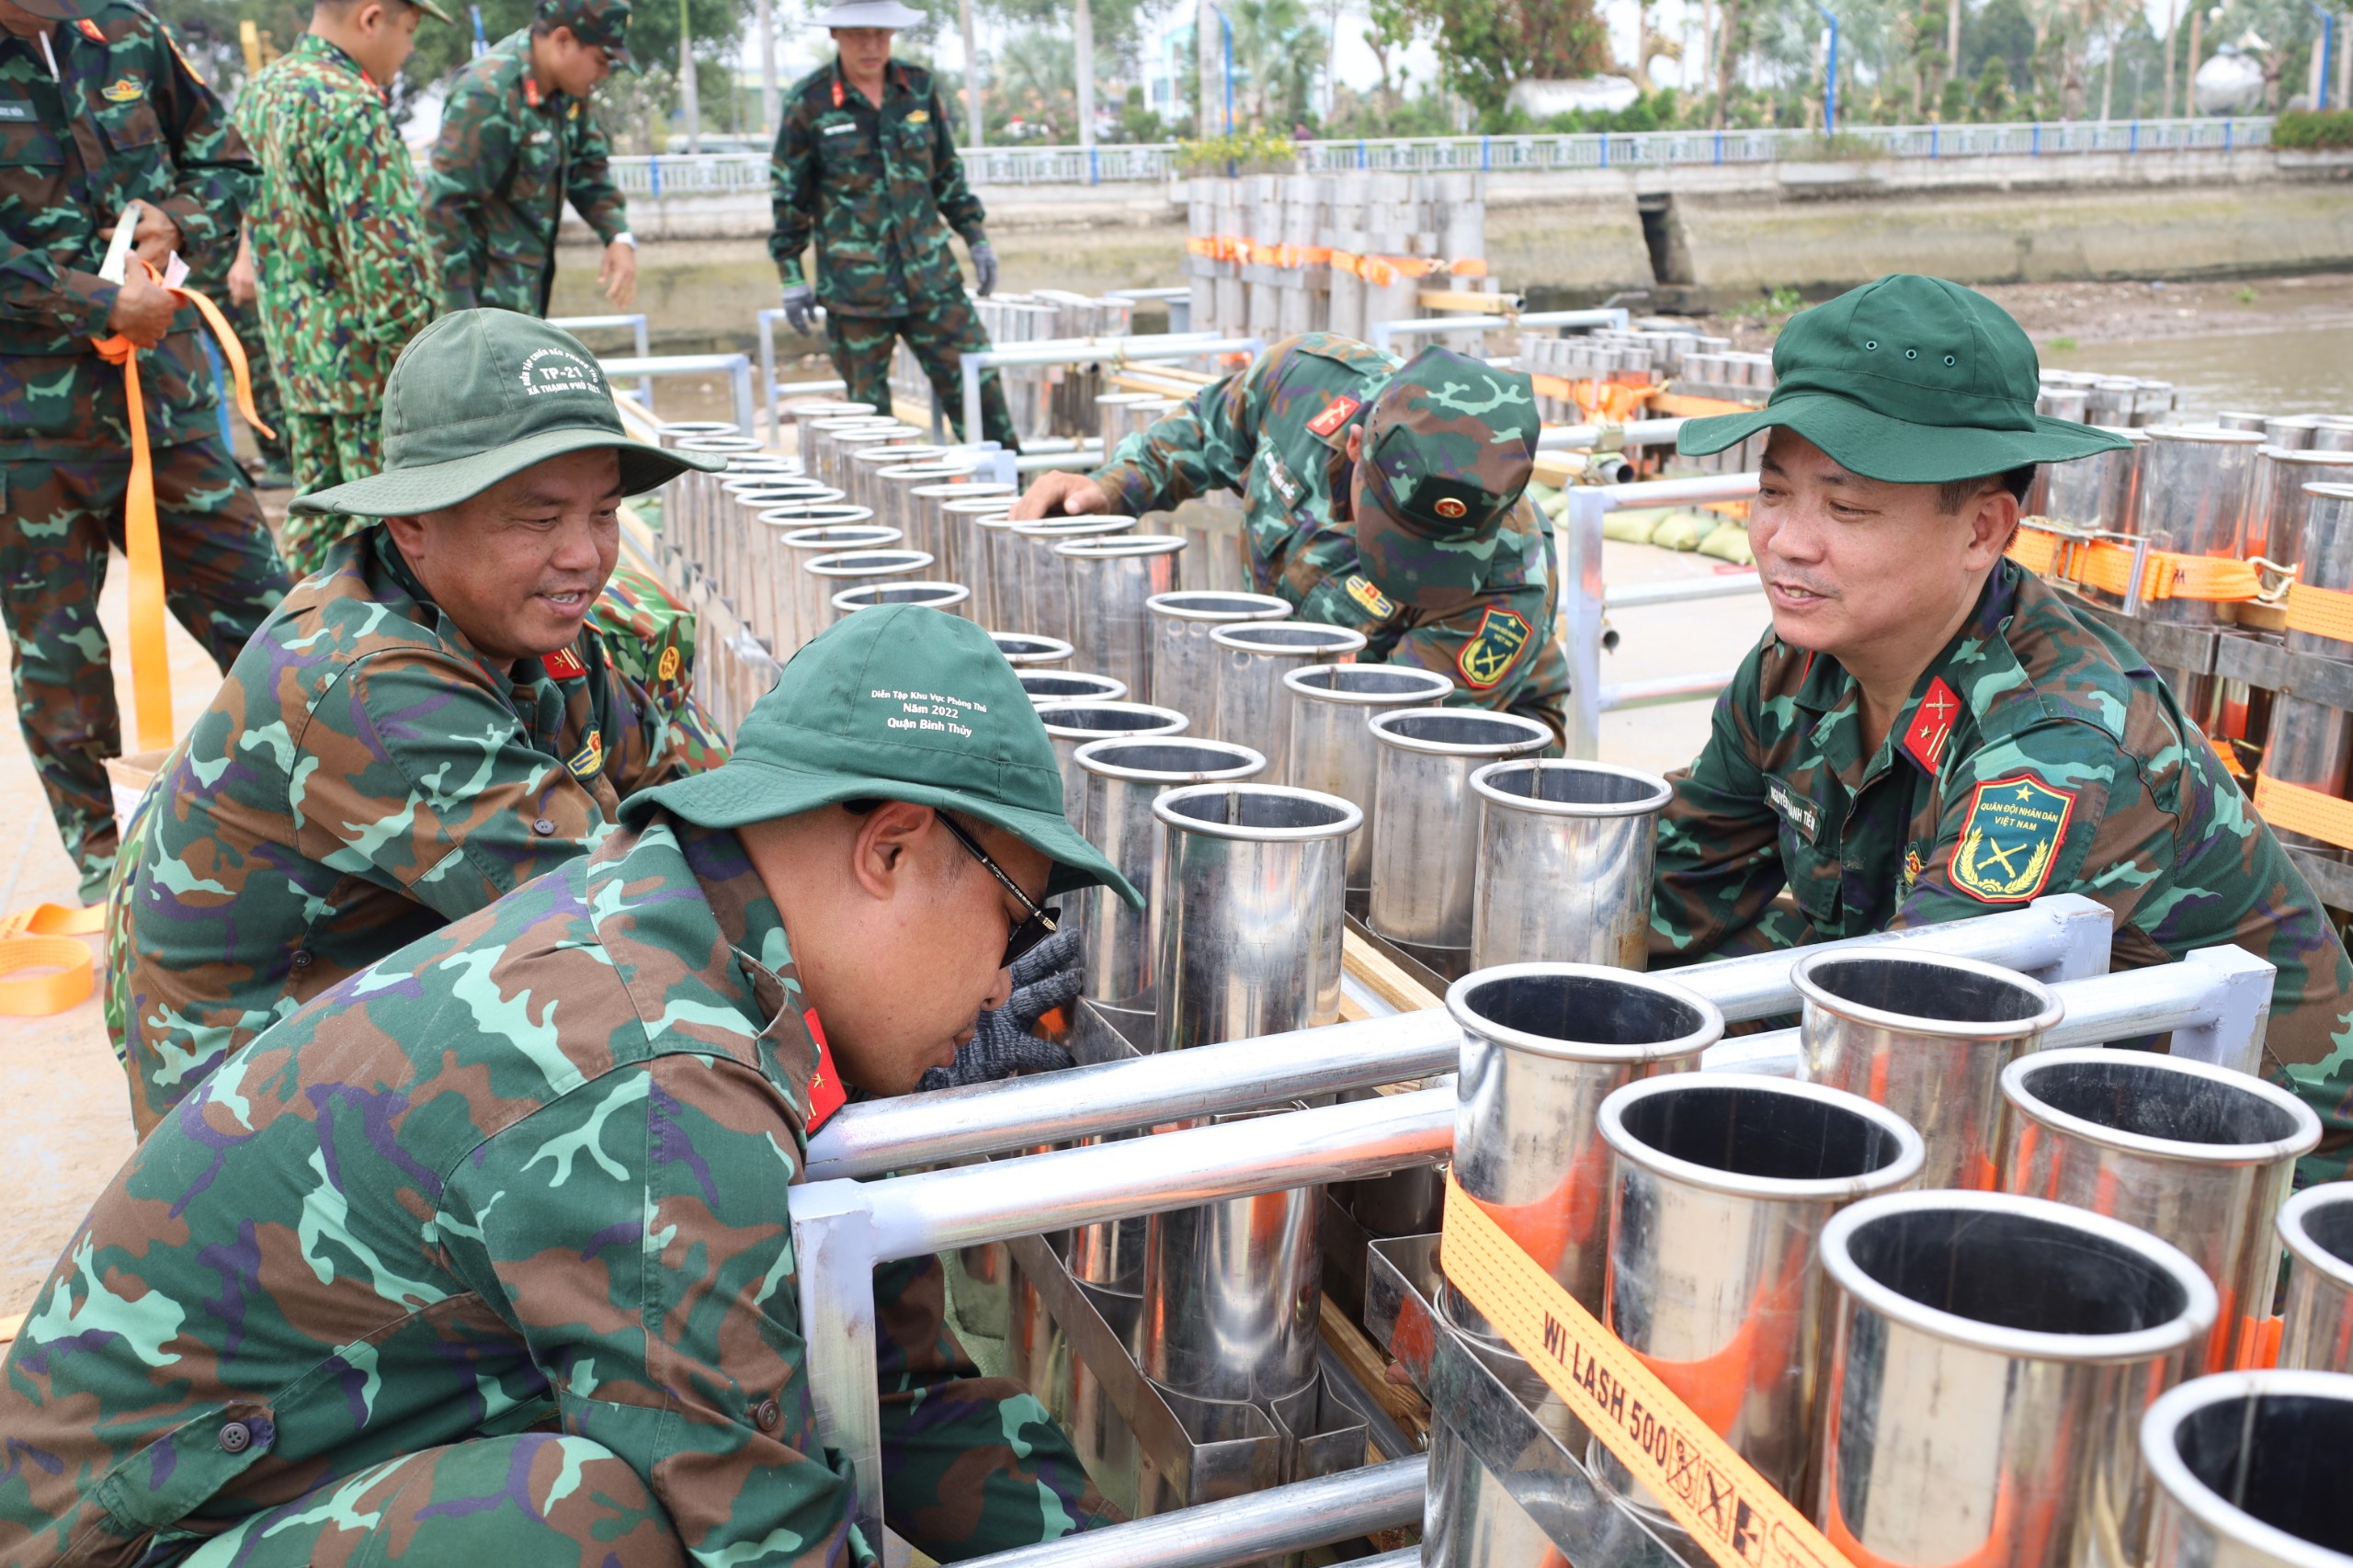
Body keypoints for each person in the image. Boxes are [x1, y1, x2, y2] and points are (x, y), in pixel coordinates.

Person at [0, 604, 1135, 1567]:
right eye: (1018, 916)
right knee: (597, 1522)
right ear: (889, 848)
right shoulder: (662, 1069)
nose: (1007, 980)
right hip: (118, 1540)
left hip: (256, 1480)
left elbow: (892, 1388)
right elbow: (763, 1532)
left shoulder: (689, 932)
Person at [1651, 272, 2353, 1170]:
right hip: (2038, 1073)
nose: (1786, 538)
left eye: (1846, 507)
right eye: (1774, 492)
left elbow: (1905, 1028)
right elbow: (1675, 889)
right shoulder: (1801, 661)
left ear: (1983, 530)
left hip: (2249, 1170)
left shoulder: (2059, 739)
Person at [108, 309, 730, 1137]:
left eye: (605, 513)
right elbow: (627, 923)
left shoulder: (534, 625)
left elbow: (703, 791)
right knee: (678, 1086)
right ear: (413, 526)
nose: (585, 554)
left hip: (362, 1022)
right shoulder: (372, 686)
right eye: (539, 519)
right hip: (255, 1133)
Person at [0, 0, 292, 903]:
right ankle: (113, 876)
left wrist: (180, 217)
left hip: (165, 414)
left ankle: (313, 821)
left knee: (268, 618)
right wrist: (91, 304)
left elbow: (226, 153)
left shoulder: (124, 33)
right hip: (24, 437)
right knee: (61, 657)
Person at [1012, 335, 1571, 742]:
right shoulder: (1304, 383)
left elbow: (1388, 736)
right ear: (1355, 449)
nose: (1411, 572)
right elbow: (1210, 426)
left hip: (1451, 772)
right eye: (1398, 538)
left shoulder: (1510, 589)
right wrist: (1109, 487)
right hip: (1290, 692)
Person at [237, 0, 449, 574]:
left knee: (317, 510)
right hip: (367, 366)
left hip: (298, 358)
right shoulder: (351, 104)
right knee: (386, 524)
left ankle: (288, 647)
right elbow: (388, 260)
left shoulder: (263, 92)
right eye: (408, 32)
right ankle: (374, 657)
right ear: (372, 18)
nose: (407, 51)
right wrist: (424, 361)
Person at [771, 0, 1017, 448]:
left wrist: (976, 238)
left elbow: (947, 174)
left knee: (981, 392)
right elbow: (790, 197)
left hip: (933, 281)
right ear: (835, 35)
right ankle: (885, 514)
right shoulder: (809, 102)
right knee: (869, 420)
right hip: (855, 293)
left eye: (882, 33)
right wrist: (791, 276)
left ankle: (1014, 499)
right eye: (859, 34)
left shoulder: (918, 88)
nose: (872, 45)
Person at [422, 0, 637, 317]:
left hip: (524, 299)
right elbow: (442, 213)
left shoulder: (568, 89)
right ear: (563, 41)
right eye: (601, 59)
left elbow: (587, 168)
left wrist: (618, 234)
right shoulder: (488, 94)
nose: (604, 73)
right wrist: (459, 327)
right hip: (481, 309)